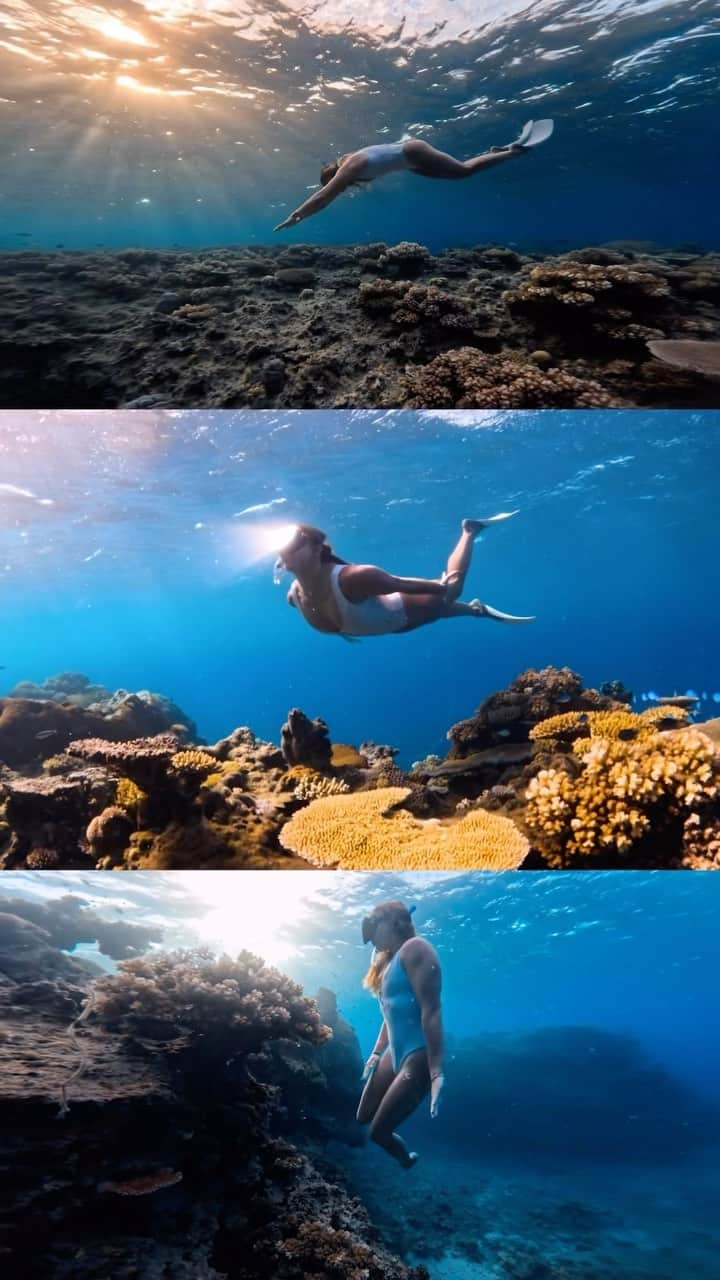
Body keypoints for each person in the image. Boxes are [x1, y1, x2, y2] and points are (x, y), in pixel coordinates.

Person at [275, 516, 534, 639]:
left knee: (449, 593)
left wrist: (439, 587)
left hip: (400, 610)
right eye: (284, 548)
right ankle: (478, 610)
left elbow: (397, 584)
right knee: (438, 611)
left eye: (295, 544)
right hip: (394, 624)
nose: (287, 552)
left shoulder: (353, 578)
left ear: (318, 549)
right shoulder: (293, 597)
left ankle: (469, 530)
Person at [273, 119, 554, 231]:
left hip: (413, 152)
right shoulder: (349, 164)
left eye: (338, 183)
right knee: (457, 174)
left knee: (464, 171)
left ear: (335, 174)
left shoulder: (350, 167)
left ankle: (513, 151)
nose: (342, 188)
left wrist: (296, 216)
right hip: (409, 161)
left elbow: (324, 196)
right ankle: (499, 150)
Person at [356, 900, 444, 1168]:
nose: (371, 939)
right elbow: (390, 1015)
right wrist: (375, 1053)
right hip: (395, 1052)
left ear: (393, 922)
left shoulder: (415, 949)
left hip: (418, 1055)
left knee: (377, 1133)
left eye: (374, 930)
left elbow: (431, 1011)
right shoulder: (386, 960)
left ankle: (406, 1160)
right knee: (362, 1116)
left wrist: (436, 1071)